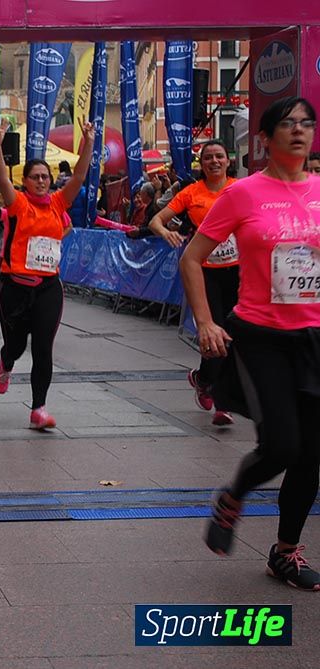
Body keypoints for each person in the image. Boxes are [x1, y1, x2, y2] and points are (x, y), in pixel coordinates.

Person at [183, 96, 320, 591]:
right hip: (261, 336)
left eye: (307, 123)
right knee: (282, 443)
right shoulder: (244, 194)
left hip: (315, 338)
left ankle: (285, 554)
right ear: (264, 139)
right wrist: (205, 321)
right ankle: (234, 493)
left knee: (311, 454)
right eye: (288, 124)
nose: (299, 131)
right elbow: (192, 258)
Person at [0, 117, 94, 429]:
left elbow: (79, 176)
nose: (42, 181)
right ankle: (6, 362)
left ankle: (38, 409)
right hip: (14, 288)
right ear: (25, 181)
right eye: (35, 177)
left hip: (48, 287)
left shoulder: (58, 203)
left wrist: (88, 143)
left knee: (43, 347)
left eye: (45, 177)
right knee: (17, 346)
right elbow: (0, 178)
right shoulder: (17, 204)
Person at [150, 141, 238, 426]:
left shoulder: (240, 189)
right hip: (205, 271)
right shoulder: (191, 193)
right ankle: (221, 401)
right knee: (216, 333)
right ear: (202, 164)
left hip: (239, 270)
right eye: (208, 157)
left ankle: (203, 378)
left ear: (228, 161)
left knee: (235, 333)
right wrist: (167, 232)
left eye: (219, 156)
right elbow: (156, 220)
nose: (214, 161)